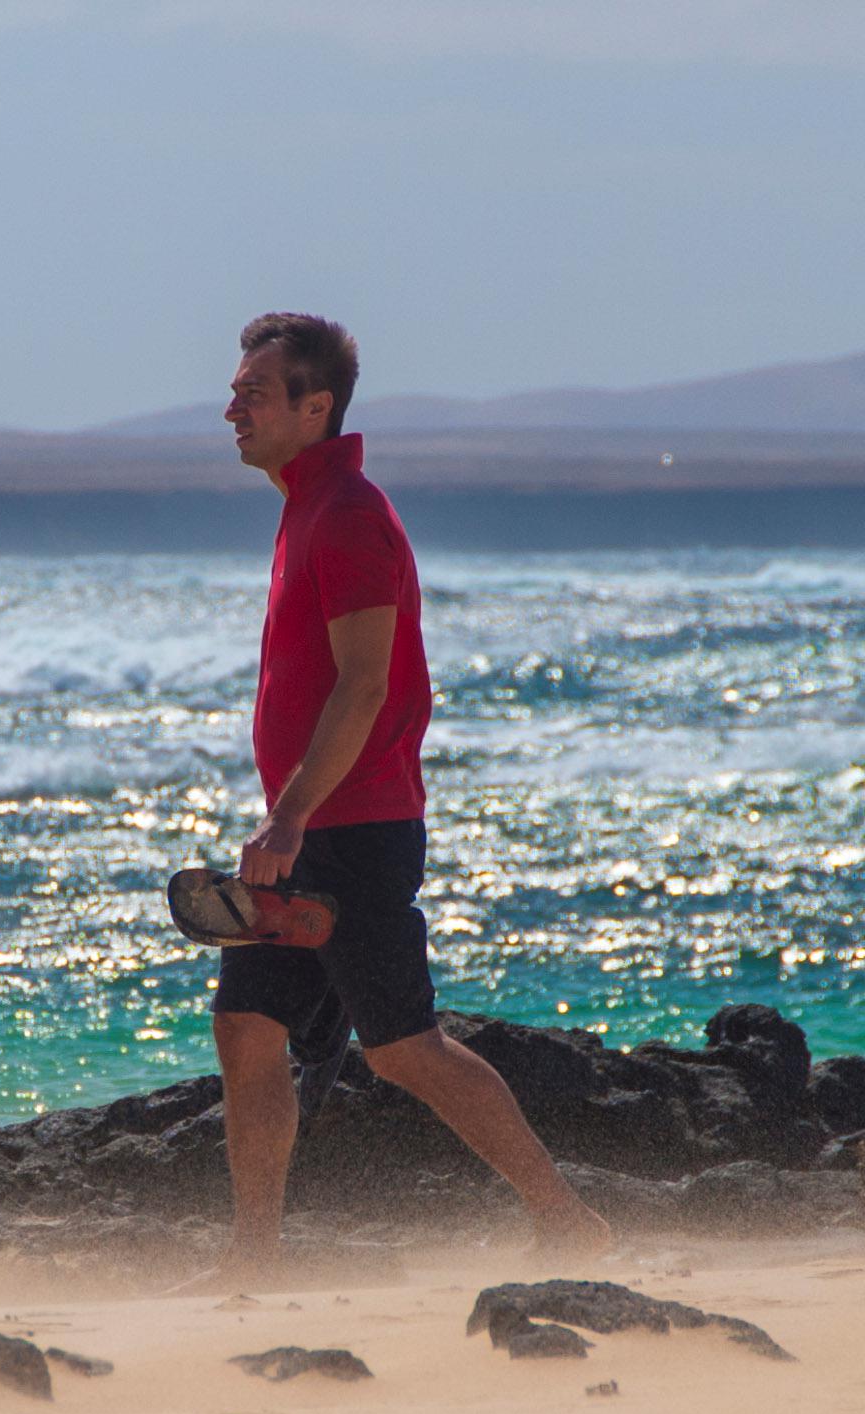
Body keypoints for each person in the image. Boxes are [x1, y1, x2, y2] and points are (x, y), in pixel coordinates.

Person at [192, 311, 614, 1289]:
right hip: (305, 838)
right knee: (245, 1029)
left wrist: (289, 815)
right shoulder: (305, 505)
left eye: (252, 394)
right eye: (236, 391)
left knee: (402, 1050)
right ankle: (252, 1262)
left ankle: (565, 1219)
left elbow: (366, 685)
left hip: (353, 831)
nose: (230, 410)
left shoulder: (348, 516)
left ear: (313, 406)